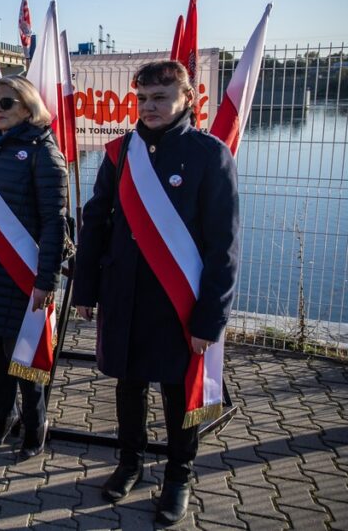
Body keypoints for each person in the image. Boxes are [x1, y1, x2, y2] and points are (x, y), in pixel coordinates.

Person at [73, 60, 239, 525]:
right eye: (142, 98)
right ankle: (130, 463)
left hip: (177, 300)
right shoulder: (120, 152)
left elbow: (223, 247)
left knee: (176, 393)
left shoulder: (210, 155)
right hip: (124, 293)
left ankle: (178, 476)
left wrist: (211, 319)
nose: (148, 107)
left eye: (160, 98)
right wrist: (86, 288)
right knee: (128, 385)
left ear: (187, 98)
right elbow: (97, 223)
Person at [0, 75, 67, 457]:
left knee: (25, 355)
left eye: (7, 103)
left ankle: (36, 425)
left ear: (28, 108)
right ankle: (3, 418)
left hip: (24, 273)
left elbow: (56, 224)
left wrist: (46, 279)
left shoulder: (44, 153)